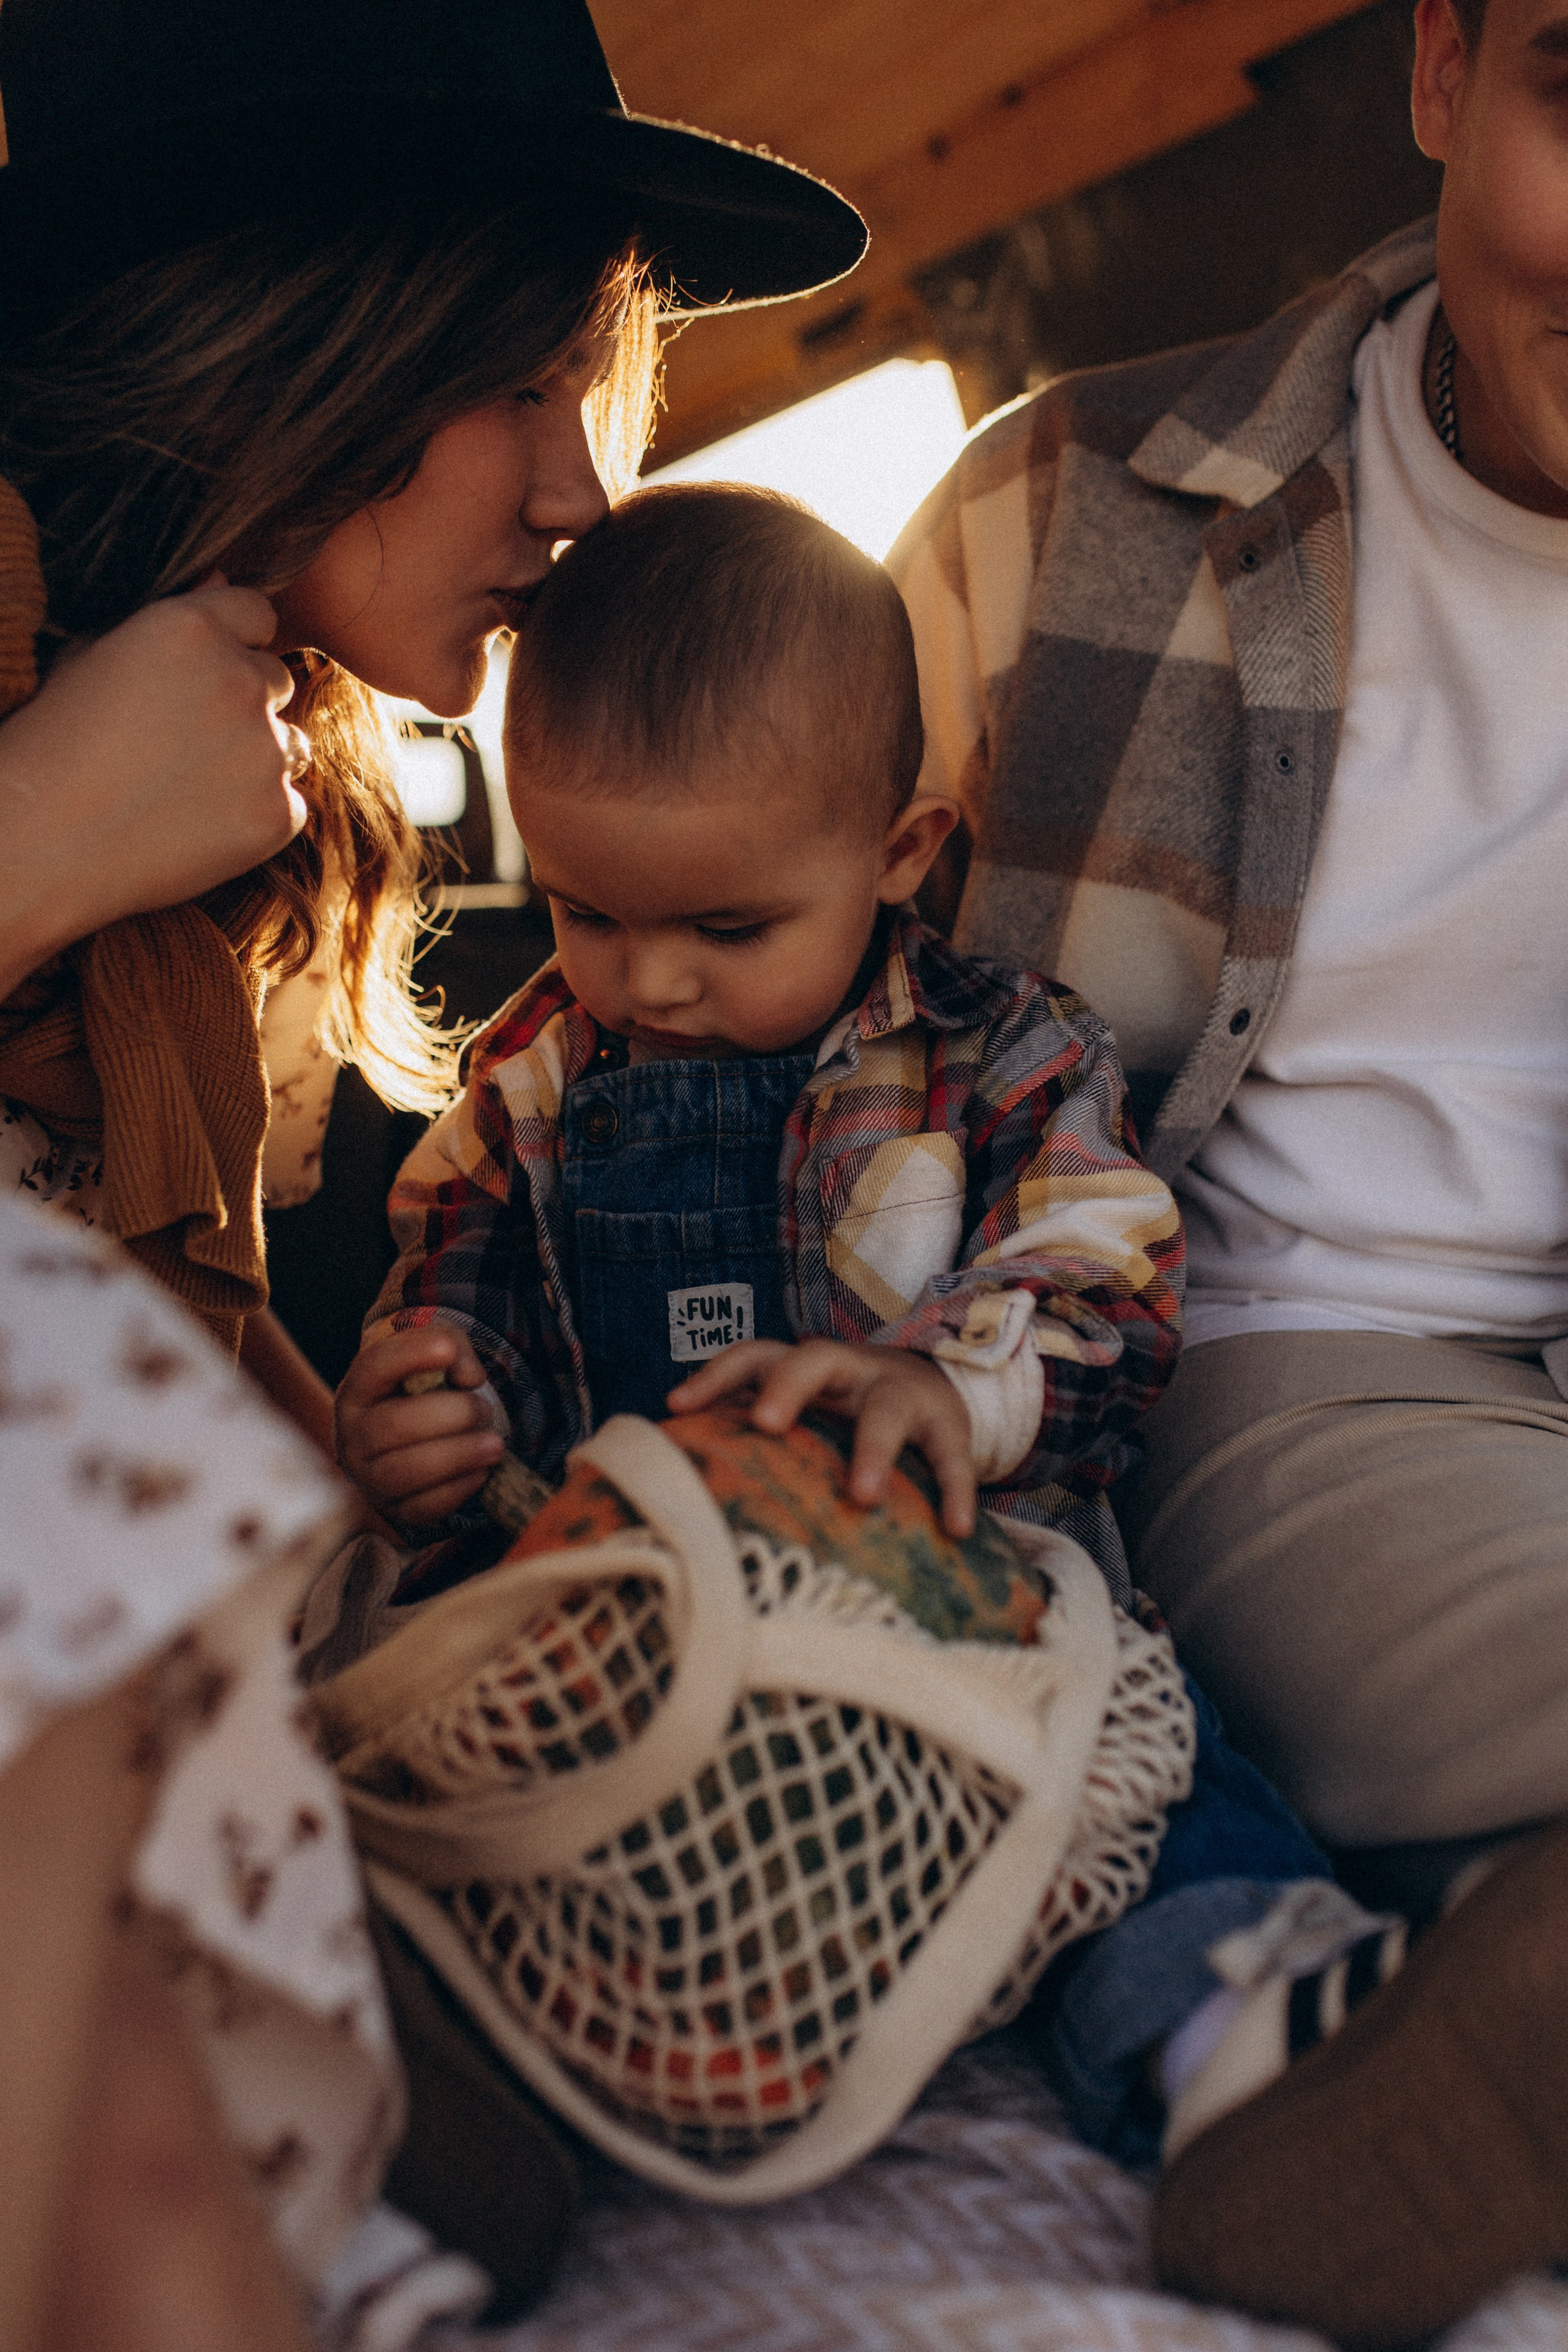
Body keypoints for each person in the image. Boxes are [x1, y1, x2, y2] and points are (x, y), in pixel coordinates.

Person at [336, 480, 1403, 2179]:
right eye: (588, 913)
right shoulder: (527, 1096)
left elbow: (1107, 1271)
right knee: (454, 1794)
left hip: (953, 1625)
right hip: (639, 1654)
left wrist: (941, 1385)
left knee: (1135, 1779)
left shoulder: (1009, 1058)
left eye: (725, 927)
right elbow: (450, 1324)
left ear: (899, 855)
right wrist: (419, 1424)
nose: (647, 983)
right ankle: (465, 2107)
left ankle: (1255, 2054)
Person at [888, 0, 1568, 2330]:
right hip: (1301, 1388)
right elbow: (757, 1043)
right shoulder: (1048, 517)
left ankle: (1425, 2040)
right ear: (1445, 75)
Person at [0, 0, 864, 1430]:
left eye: (586, 393)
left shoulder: (269, 771)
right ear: (282, 327)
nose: (579, 496)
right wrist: (41, 834)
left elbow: (167, 1302)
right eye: (520, 382)